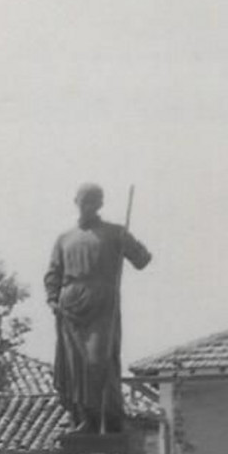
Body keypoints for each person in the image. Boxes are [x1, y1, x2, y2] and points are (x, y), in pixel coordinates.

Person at [44, 183, 153, 434]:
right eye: (84, 201)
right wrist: (52, 299)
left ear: (100, 204)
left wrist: (129, 243)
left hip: (102, 304)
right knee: (74, 367)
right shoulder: (64, 239)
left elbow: (142, 259)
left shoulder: (114, 232)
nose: (87, 206)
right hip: (69, 306)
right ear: (76, 201)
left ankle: (108, 420)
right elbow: (53, 274)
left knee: (97, 361)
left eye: (93, 201)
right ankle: (84, 420)